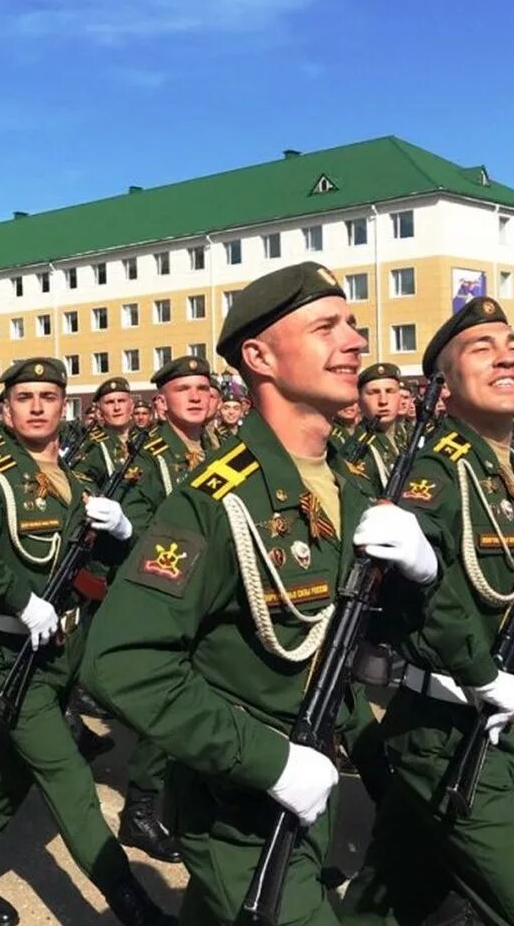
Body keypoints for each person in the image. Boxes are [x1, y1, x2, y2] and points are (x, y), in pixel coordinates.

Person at [86, 264, 394, 925]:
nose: (355, 342)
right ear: (258, 357)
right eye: (325, 327)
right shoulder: (216, 502)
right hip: (241, 808)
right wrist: (273, 762)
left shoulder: (351, 484)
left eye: (352, 325)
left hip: (315, 785)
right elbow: (122, 662)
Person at [340, 297, 514, 925]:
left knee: (390, 895)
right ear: (443, 390)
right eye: (481, 349)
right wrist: (480, 670)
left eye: (513, 344)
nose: (506, 354)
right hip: (447, 728)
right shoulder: (436, 474)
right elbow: (408, 600)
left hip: (498, 717)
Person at [0, 357, 172, 926]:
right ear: (6, 408)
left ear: (64, 406)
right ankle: (131, 903)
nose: (38, 406)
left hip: (66, 653)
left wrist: (121, 535)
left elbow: (103, 564)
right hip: (12, 656)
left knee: (10, 774)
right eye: (25, 397)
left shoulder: (82, 482)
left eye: (48, 396)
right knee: (71, 783)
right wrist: (18, 598)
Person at [105, 354, 220, 865]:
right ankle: (142, 806)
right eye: (182, 389)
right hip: (173, 588)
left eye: (202, 387)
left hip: (218, 590)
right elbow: (137, 524)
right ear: (162, 401)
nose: (195, 396)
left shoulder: (222, 448)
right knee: (173, 697)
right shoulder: (147, 454)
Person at [349, 363, 404, 486]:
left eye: (390, 391)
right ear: (359, 400)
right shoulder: (358, 448)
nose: (383, 401)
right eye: (373, 393)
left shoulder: (403, 436)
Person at [76, 377, 135, 485]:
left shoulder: (146, 440)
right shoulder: (94, 445)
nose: (117, 408)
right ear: (99, 411)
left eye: (121, 401)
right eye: (110, 402)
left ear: (131, 406)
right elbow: (81, 480)